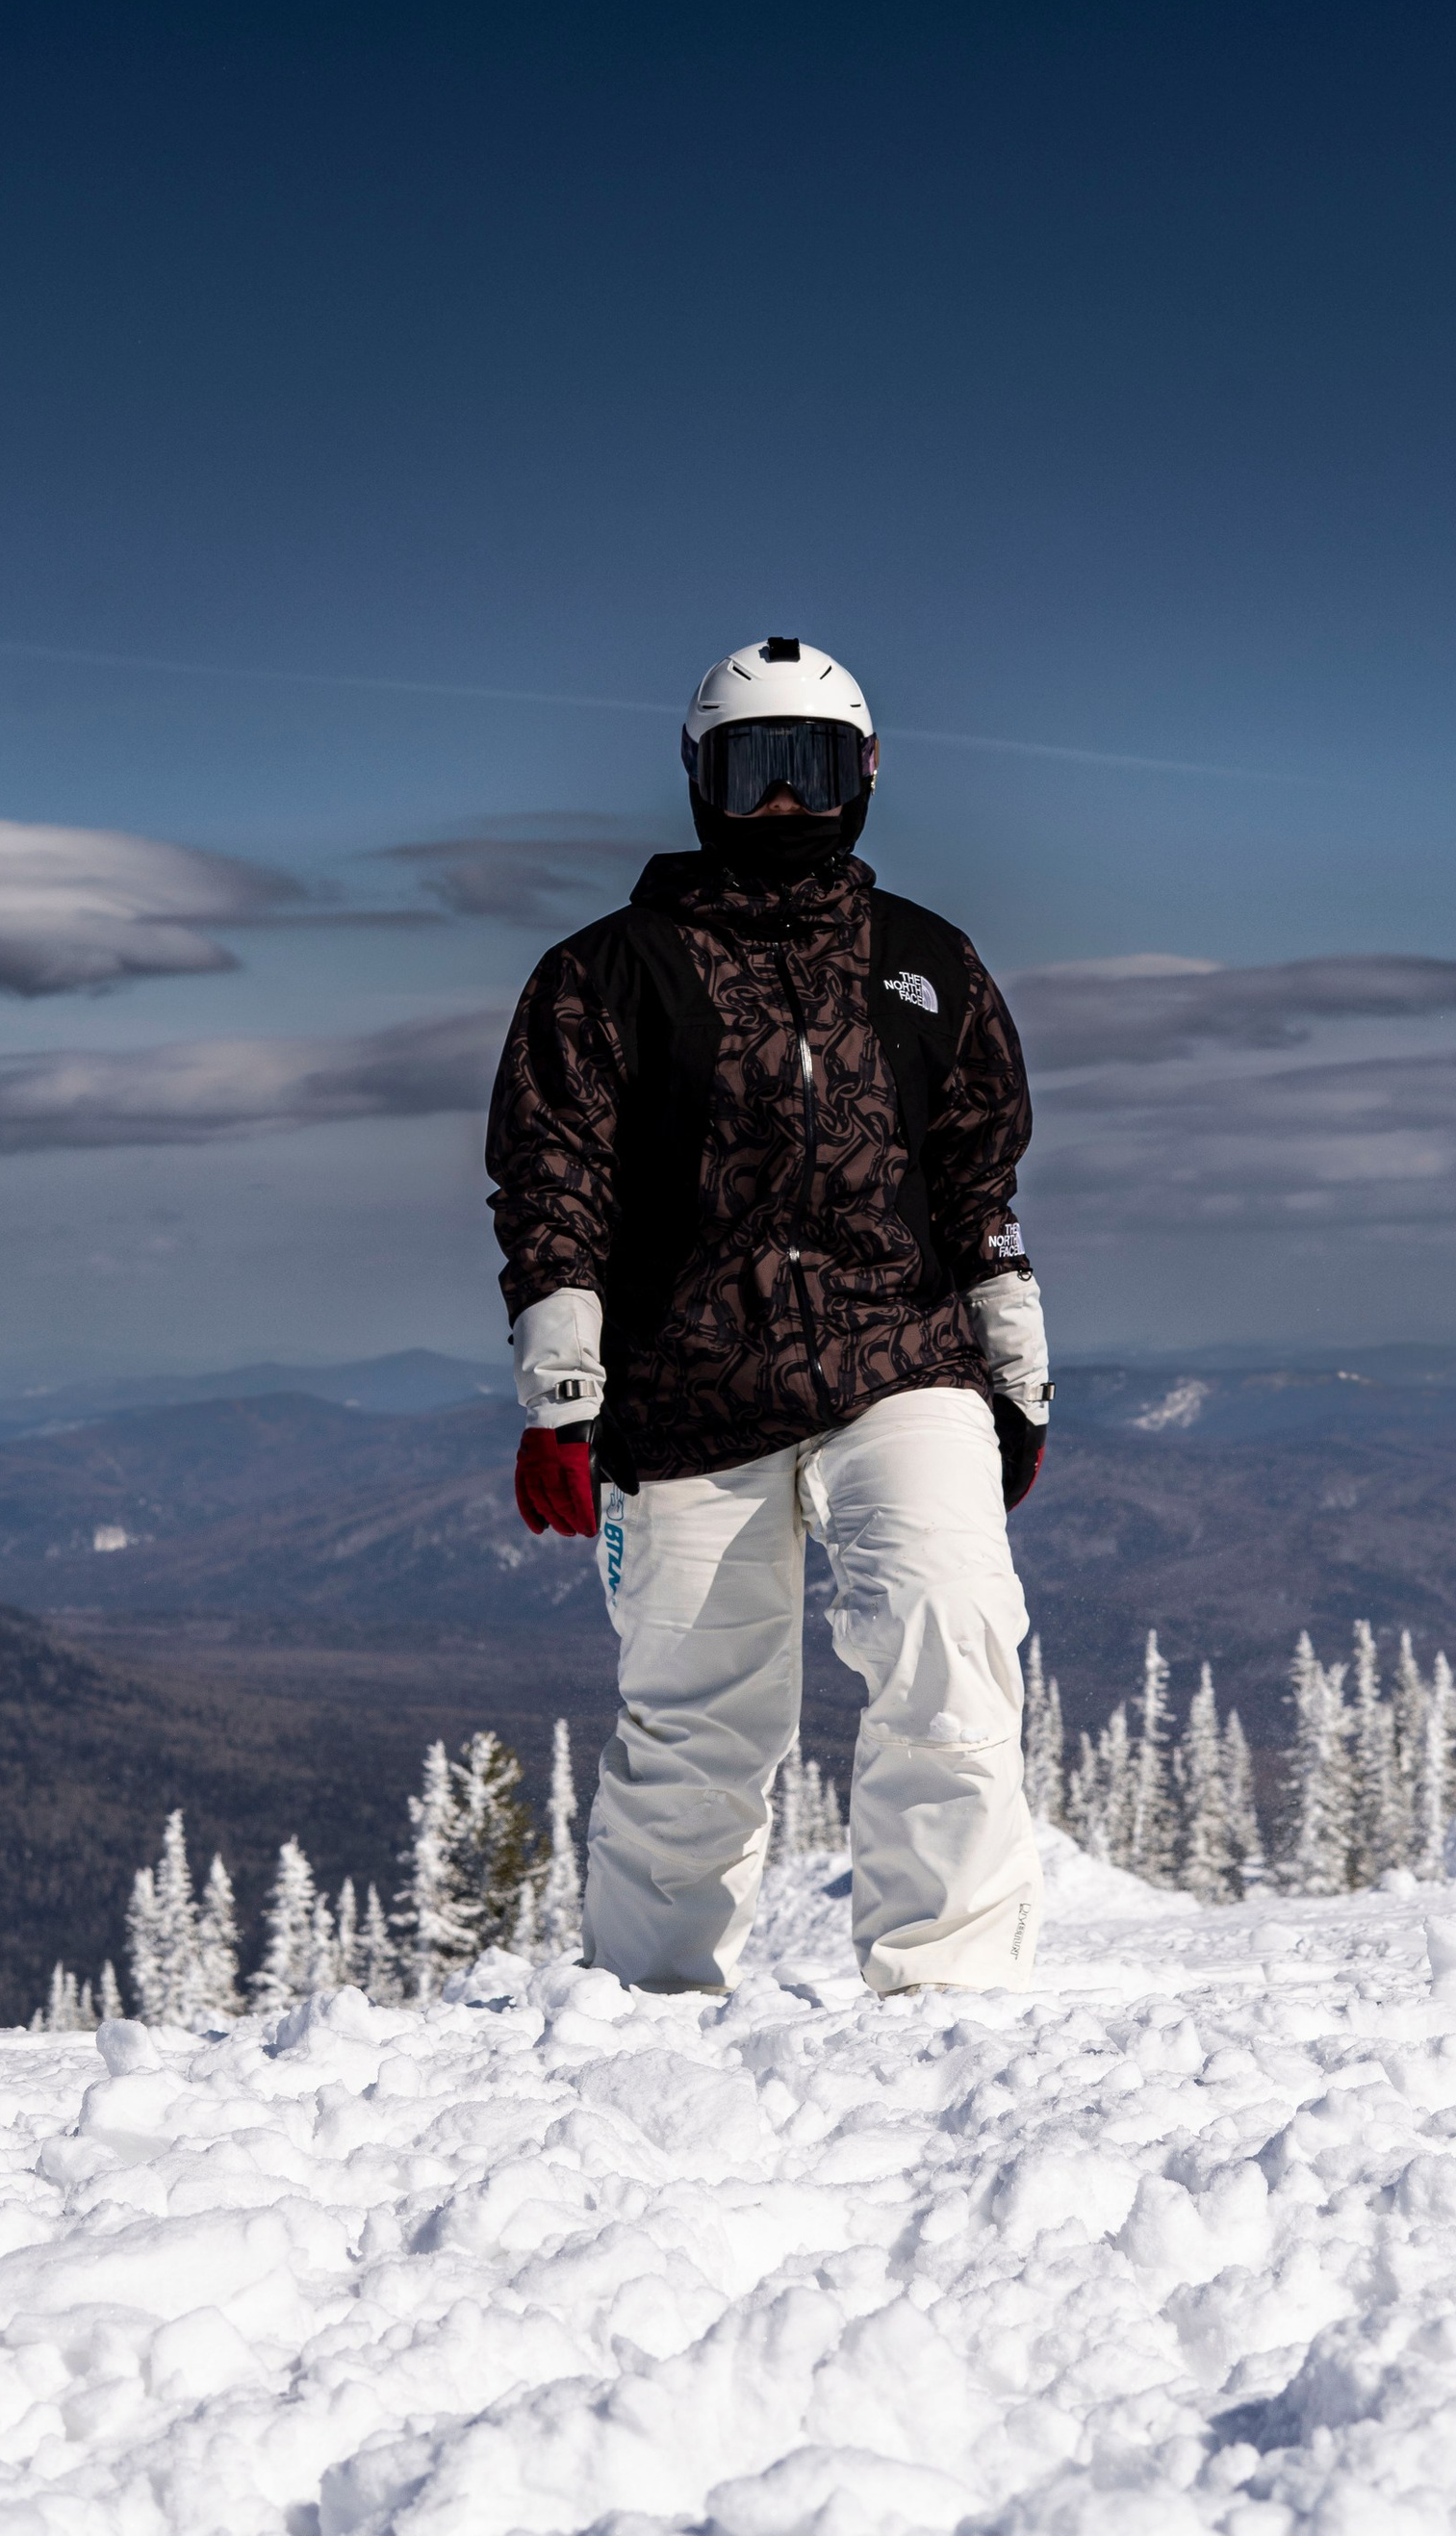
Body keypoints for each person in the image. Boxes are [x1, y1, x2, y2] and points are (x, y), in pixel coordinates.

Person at [485, 635, 1053, 1996]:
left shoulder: (927, 965)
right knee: (696, 1728)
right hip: (685, 1391)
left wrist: (1016, 1374)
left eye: (808, 769)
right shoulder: (605, 974)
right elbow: (553, 1183)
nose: (783, 808)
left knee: (949, 1643)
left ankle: (950, 1998)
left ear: (864, 775)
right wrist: (564, 1396)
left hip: (901, 1356)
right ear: (700, 781)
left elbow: (980, 1181)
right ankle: (647, 2012)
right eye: (754, 773)